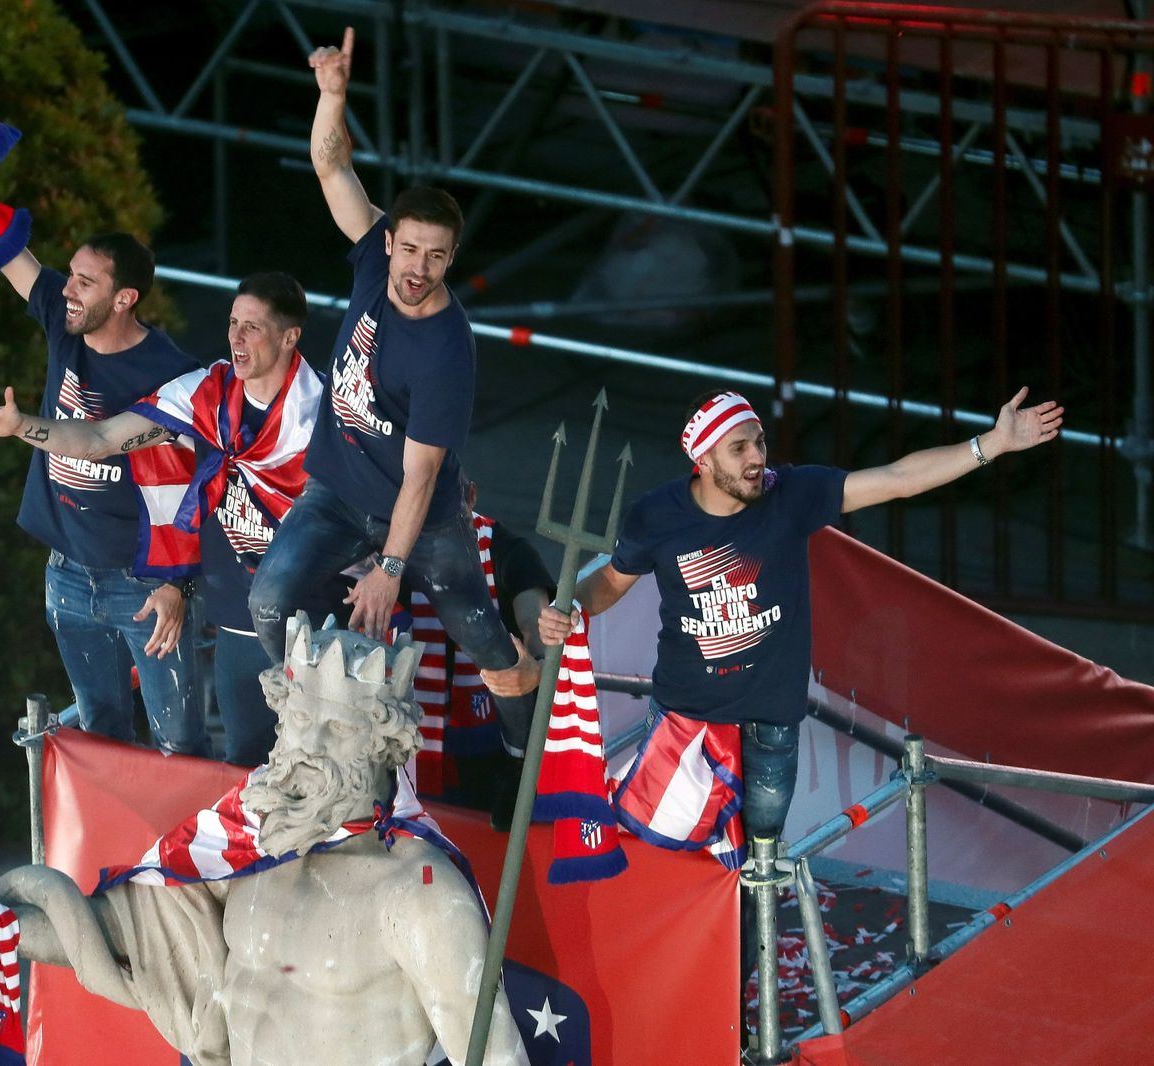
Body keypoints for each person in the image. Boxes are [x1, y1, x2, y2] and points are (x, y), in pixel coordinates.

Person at [532, 386, 1064, 988]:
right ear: (702, 461)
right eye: (740, 448)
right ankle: (658, 977)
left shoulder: (791, 495)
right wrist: (568, 606)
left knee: (755, 874)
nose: (757, 457)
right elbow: (610, 583)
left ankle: (735, 1003)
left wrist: (990, 444)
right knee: (661, 854)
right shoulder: (657, 515)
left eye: (759, 441)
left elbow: (894, 478)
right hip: (686, 726)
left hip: (770, 733)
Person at [0, 614, 530, 1066]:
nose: (308, 749)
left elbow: (498, 1056)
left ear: (387, 749)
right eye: (300, 724)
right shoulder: (252, 848)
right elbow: (108, 939)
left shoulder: (418, 895)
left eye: (341, 732)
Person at [0, 70, 205, 755]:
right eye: (71, 274)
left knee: (178, 747)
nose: (67, 288)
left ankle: (195, 863)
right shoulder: (65, 314)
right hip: (66, 571)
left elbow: (107, 449)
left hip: (140, 583)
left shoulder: (170, 375)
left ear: (124, 300)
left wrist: (175, 585)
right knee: (101, 739)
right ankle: (117, 865)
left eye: (85, 281)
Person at [246, 27, 537, 793]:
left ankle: (521, 759)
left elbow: (421, 477)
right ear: (393, 242)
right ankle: (299, 711)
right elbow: (330, 164)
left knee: (485, 640)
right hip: (338, 490)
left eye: (436, 257)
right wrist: (332, 96)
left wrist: (389, 569)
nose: (418, 269)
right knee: (269, 598)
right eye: (410, 250)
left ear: (450, 260)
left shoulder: (447, 350)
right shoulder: (375, 254)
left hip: (421, 516)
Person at [0, 273, 343, 766]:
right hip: (240, 619)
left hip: (321, 614)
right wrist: (20, 427)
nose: (237, 339)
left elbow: (379, 493)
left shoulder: (328, 412)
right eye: (233, 323)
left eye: (253, 328)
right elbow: (101, 440)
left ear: (290, 337)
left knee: (331, 767)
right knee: (248, 765)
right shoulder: (206, 393)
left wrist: (386, 574)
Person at [395, 482, 555, 816]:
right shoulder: (393, 551)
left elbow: (535, 623)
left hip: (492, 740)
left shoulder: (508, 550)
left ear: (471, 496)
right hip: (407, 737)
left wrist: (537, 665)